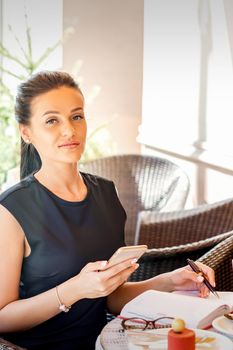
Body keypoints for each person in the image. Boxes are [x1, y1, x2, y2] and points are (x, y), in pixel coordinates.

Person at [0, 71, 215, 350]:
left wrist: (171, 281)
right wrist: (73, 290)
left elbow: (111, 297)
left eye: (77, 116)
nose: (69, 130)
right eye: (52, 120)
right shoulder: (12, 210)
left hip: (107, 343)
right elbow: (2, 318)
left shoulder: (105, 193)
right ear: (26, 132)